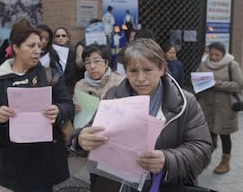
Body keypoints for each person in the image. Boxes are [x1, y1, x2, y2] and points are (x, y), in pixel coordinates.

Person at [69, 38, 213, 192]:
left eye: (148, 70)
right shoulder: (114, 96)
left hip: (164, 186)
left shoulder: (185, 103)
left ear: (162, 68)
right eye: (133, 71)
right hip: (114, 184)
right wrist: (80, 139)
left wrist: (167, 160)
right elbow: (91, 130)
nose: (140, 79)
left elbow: (202, 149)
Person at [0, 19, 74, 192]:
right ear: (15, 47)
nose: (37, 50)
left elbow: (68, 105)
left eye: (39, 46)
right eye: (31, 46)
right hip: (16, 159)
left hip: (47, 156)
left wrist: (59, 111)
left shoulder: (50, 75)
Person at [196, 41, 243, 174]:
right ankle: (204, 159)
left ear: (223, 53)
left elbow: (239, 85)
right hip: (207, 105)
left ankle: (225, 162)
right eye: (211, 54)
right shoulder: (203, 63)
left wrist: (216, 84)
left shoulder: (231, 65)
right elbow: (198, 78)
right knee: (207, 134)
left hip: (225, 107)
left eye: (217, 55)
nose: (214, 57)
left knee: (225, 135)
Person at [53, 26, 78, 94]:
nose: (61, 38)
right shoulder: (51, 53)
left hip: (68, 87)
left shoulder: (72, 53)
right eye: (58, 36)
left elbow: (73, 71)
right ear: (54, 39)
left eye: (63, 36)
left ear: (67, 38)